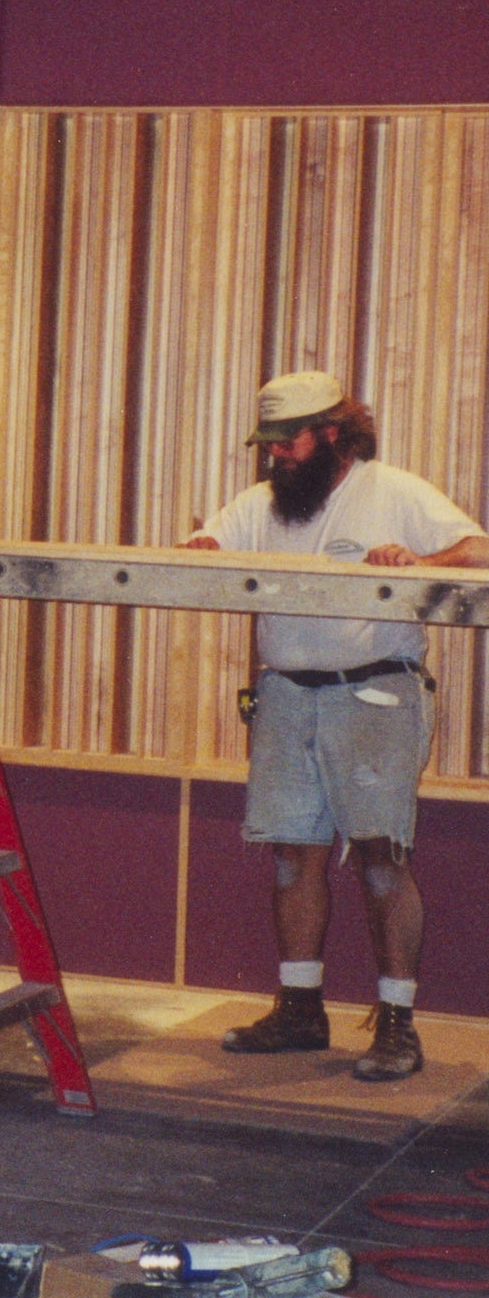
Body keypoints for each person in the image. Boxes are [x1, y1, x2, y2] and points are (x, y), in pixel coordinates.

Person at [183, 369, 489, 1081]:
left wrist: (418, 561)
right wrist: (199, 551)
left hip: (375, 695)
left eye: (288, 442)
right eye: (270, 445)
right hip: (287, 698)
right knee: (294, 856)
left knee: (382, 858)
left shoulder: (394, 490)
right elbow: (206, 547)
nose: (276, 456)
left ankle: (397, 1027)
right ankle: (299, 1009)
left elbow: (476, 550)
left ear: (332, 434)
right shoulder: (260, 503)